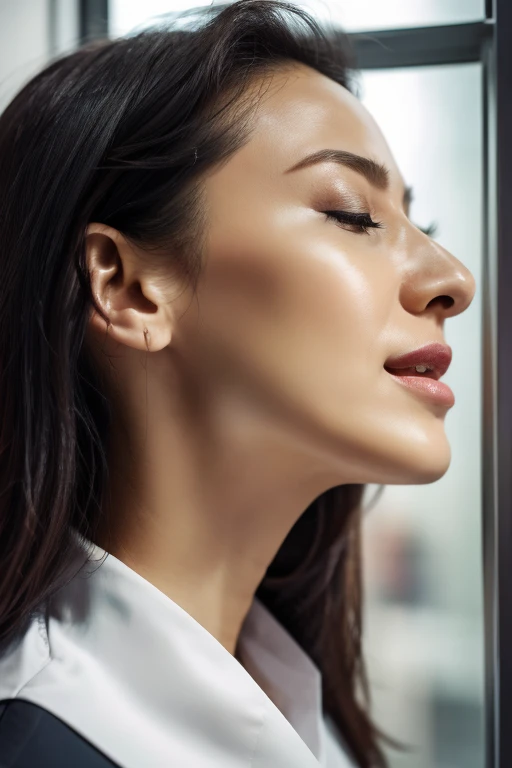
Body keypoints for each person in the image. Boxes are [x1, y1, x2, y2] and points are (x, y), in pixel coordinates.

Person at [0, 1, 475, 767]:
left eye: (422, 224)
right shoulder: (41, 744)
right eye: (353, 215)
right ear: (127, 289)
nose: (454, 279)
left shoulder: (304, 711)